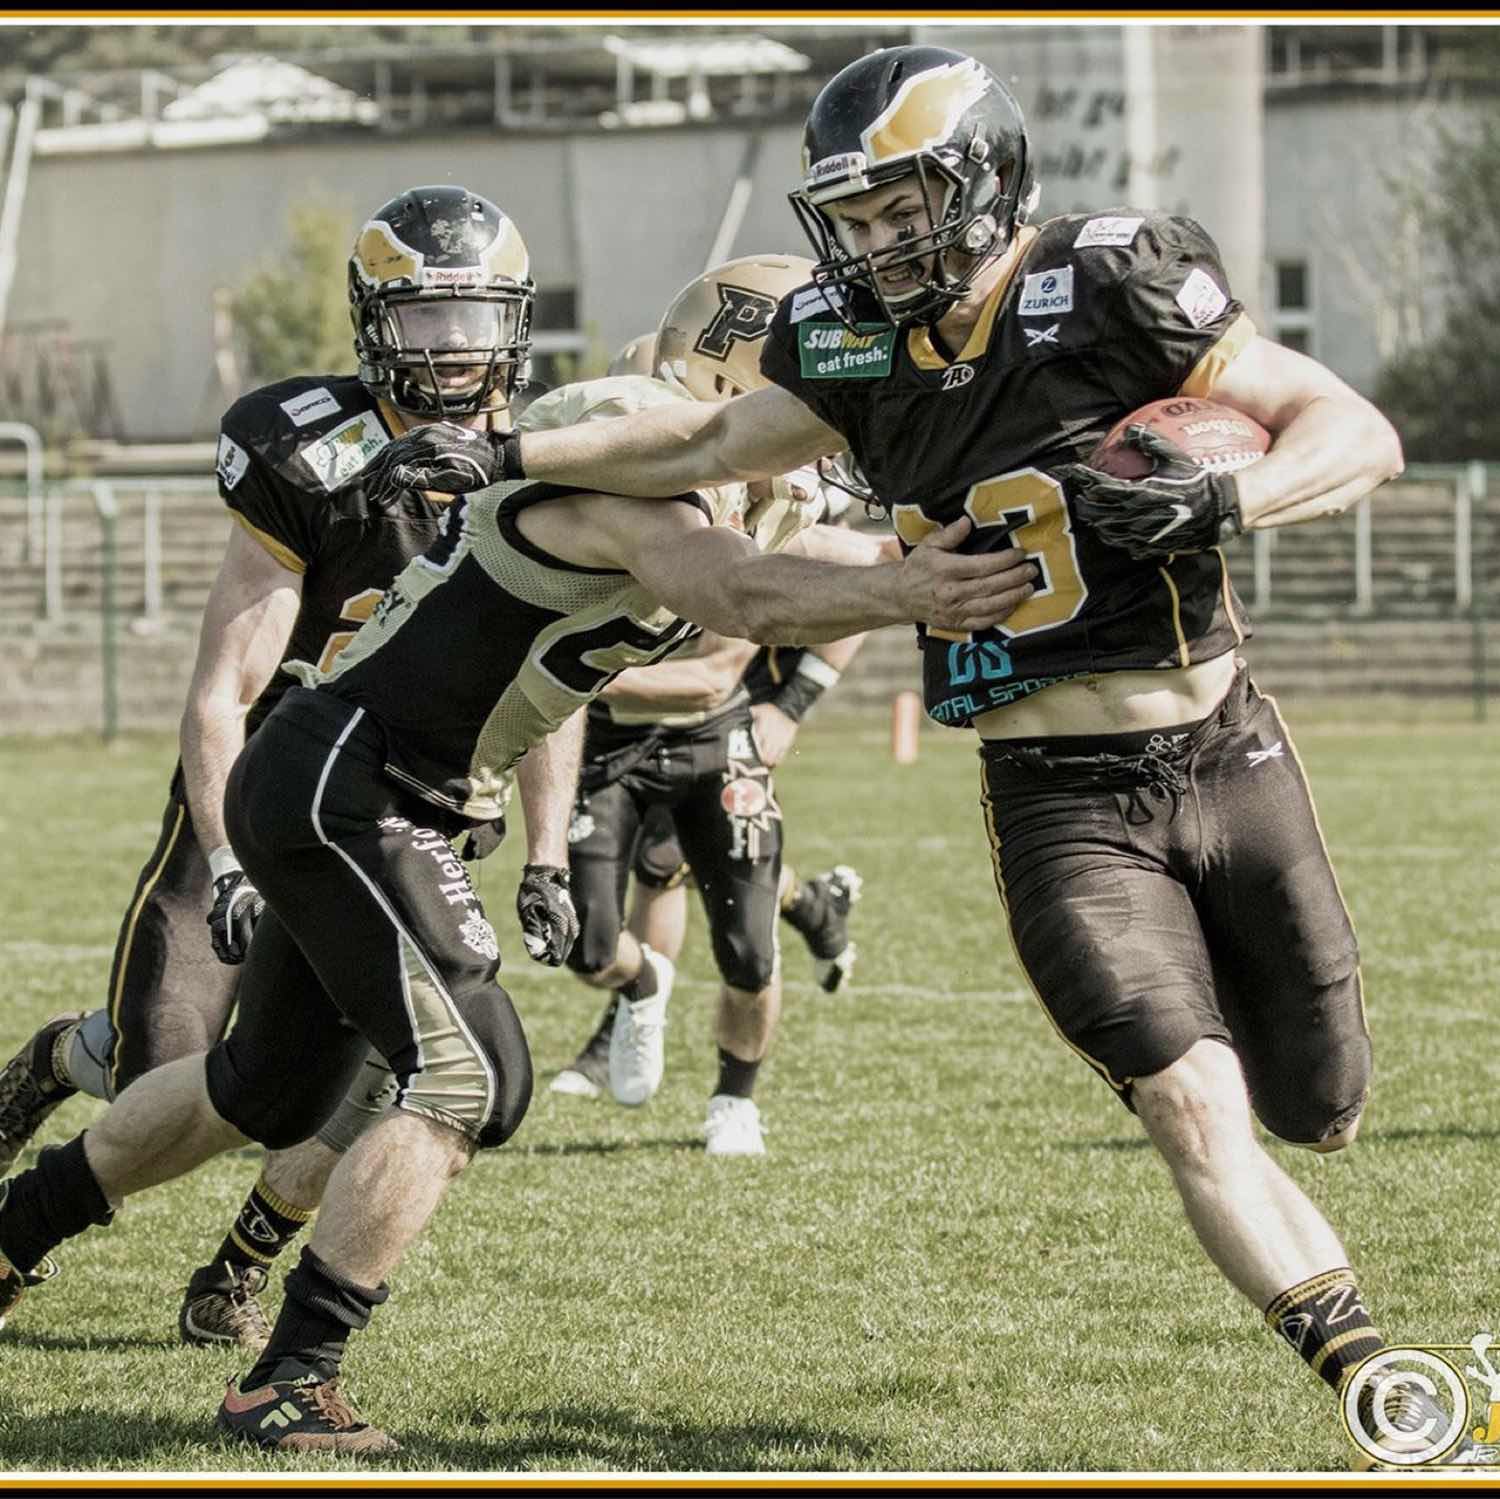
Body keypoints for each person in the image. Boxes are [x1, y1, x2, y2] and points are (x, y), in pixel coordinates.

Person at [363, 45, 1444, 1464]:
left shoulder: (1108, 281)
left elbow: (1358, 429)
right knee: (1193, 1103)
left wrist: (1230, 498)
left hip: (1228, 754)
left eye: (902, 208)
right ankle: (1378, 1379)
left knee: (1321, 1105)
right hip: (1057, 800)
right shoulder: (851, 342)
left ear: (985, 181)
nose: (875, 244)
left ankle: (1323, 1193)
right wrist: (508, 452)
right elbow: (708, 438)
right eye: (854, 218)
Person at [0, 248, 1036, 1453]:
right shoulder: (627, 451)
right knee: (473, 1076)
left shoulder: (710, 470)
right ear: (733, 380)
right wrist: (917, 592)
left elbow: (782, 564)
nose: (831, 416)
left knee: (259, 1089)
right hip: (354, 780)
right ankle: (289, 1375)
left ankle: (12, 1234)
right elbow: (740, 596)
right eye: (812, 386)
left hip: (365, 779)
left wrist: (955, 541)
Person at [0, 184, 582, 1355]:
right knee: (166, 1061)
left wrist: (551, 850)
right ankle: (66, 1055)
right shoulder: (312, 448)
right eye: (426, 319)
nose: (454, 349)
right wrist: (225, 859)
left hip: (410, 808)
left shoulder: (544, 456)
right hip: (274, 784)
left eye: (476, 318)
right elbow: (224, 687)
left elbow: (553, 676)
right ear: (373, 322)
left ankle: (240, 1266)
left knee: (379, 1073)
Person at [542, 269, 868, 1155]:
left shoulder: (756, 498)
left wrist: (795, 700)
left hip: (707, 736)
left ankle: (735, 1096)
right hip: (604, 744)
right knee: (587, 939)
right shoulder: (607, 499)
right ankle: (643, 991)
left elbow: (713, 678)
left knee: (743, 941)